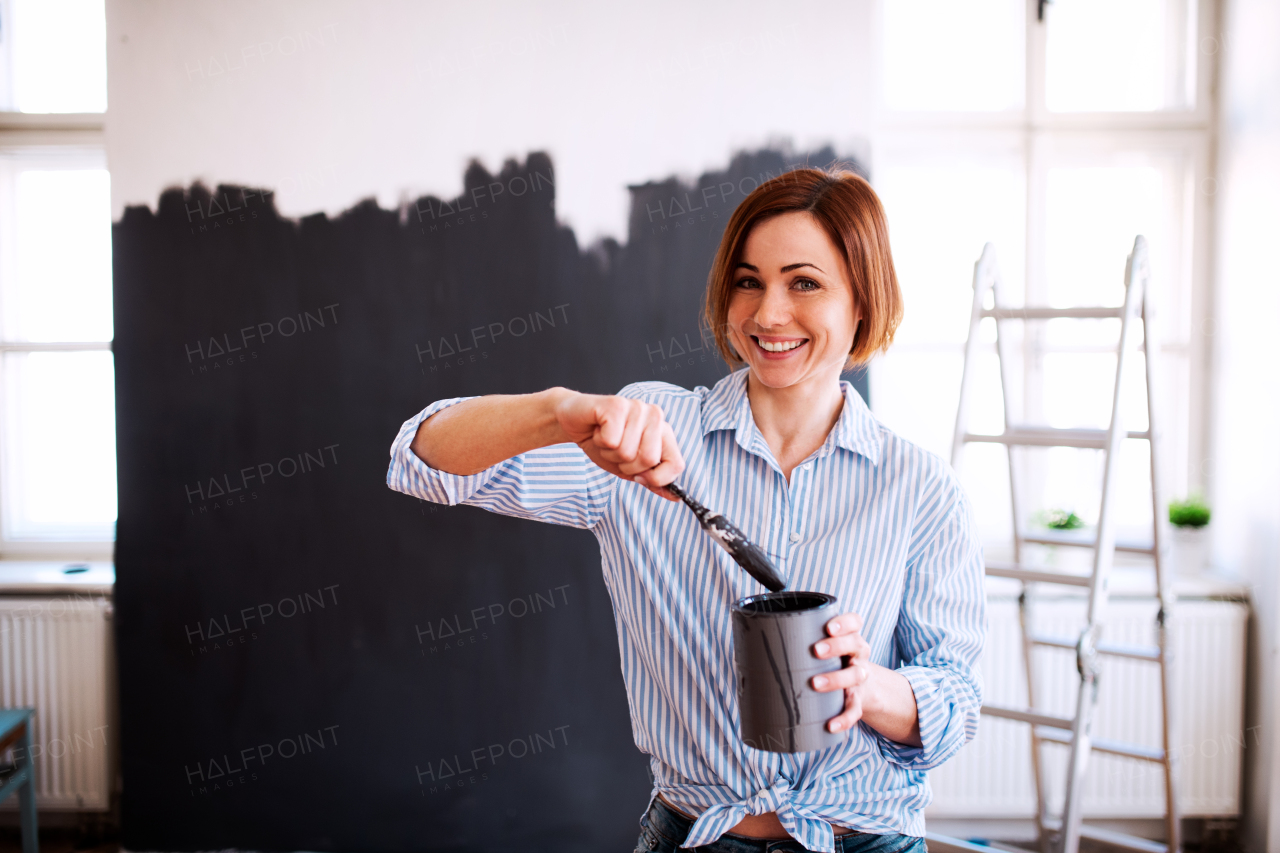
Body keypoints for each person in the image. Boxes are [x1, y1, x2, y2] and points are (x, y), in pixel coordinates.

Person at [386, 167, 985, 853]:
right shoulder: (648, 436)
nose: (767, 314)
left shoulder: (921, 488)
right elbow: (421, 458)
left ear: (862, 301)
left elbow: (957, 703)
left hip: (868, 838)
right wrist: (560, 412)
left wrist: (868, 686)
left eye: (804, 282)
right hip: (692, 837)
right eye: (748, 280)